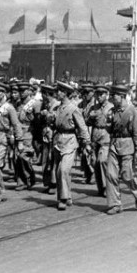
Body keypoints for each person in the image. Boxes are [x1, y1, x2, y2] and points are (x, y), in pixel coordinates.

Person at [105, 84, 137, 215]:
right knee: (110, 174)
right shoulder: (112, 111)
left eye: (114, 96)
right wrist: (108, 123)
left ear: (121, 96)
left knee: (127, 175)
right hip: (114, 144)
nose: (112, 98)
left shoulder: (132, 111)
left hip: (128, 145)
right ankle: (115, 204)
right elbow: (109, 130)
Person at [53, 81, 91, 210]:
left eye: (60, 91)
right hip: (58, 141)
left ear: (66, 93)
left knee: (63, 170)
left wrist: (87, 142)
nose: (57, 93)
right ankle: (66, 196)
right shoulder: (58, 108)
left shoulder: (73, 108)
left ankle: (62, 199)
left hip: (69, 141)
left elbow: (82, 126)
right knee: (60, 171)